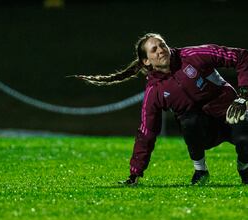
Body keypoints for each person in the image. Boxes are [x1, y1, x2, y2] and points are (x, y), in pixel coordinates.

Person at [72, 33, 248, 185]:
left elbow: (242, 57)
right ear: (146, 61)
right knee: (188, 120)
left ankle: (244, 166)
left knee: (244, 141)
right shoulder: (154, 91)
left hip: (232, 113)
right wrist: (135, 173)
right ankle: (201, 171)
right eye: (154, 49)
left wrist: (243, 95)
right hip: (203, 131)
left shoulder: (194, 56)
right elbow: (146, 132)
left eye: (162, 44)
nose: (161, 50)